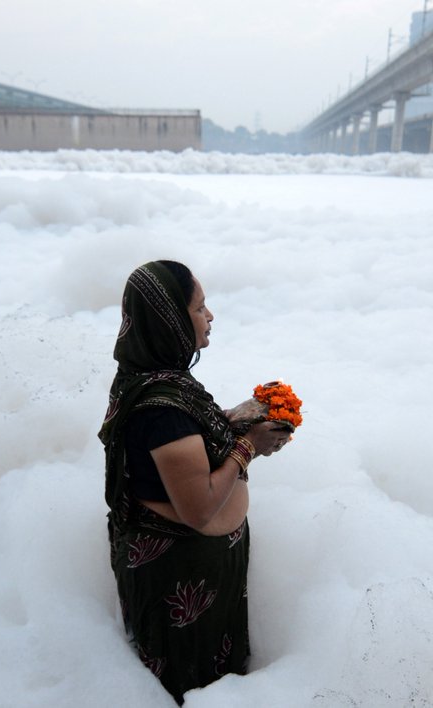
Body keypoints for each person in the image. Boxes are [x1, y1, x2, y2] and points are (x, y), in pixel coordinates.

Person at [99, 260, 291, 704]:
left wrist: (237, 418)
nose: (210, 316)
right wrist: (249, 448)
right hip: (182, 579)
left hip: (202, 571)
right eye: (200, 307)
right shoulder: (162, 408)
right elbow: (201, 507)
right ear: (170, 320)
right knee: (189, 686)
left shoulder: (151, 375)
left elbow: (186, 438)